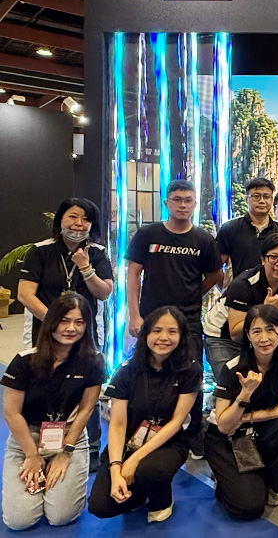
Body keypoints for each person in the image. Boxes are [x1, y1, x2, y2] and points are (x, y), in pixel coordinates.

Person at [126, 179, 222, 459]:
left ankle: (192, 435)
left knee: (191, 375)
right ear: (167, 203)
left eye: (188, 200)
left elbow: (215, 276)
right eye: (177, 200)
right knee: (145, 373)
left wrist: (192, 294)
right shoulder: (148, 234)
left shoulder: (203, 240)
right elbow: (133, 274)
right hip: (151, 319)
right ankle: (143, 428)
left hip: (188, 321)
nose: (182, 205)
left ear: (195, 204)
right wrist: (134, 315)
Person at [17, 198, 112, 472]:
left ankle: (90, 447)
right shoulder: (40, 252)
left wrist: (85, 267)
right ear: (61, 219)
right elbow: (25, 294)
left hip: (86, 336)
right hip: (43, 334)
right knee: (43, 385)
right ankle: (40, 445)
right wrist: (56, 323)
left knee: (87, 388)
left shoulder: (97, 253)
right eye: (72, 217)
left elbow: (104, 292)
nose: (78, 224)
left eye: (85, 219)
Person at [1, 293, 104, 530]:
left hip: (69, 437)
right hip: (28, 438)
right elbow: (12, 413)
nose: (71, 328)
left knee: (60, 516)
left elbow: (86, 409)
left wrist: (66, 453)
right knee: (19, 520)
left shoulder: (93, 361)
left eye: (79, 322)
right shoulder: (24, 361)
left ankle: (60, 481)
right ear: (52, 322)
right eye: (64, 321)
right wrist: (32, 455)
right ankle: (40, 475)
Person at [88, 307, 200, 523]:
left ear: (182, 336)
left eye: (172, 331)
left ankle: (162, 500)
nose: (164, 337)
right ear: (146, 333)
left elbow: (176, 422)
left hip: (169, 443)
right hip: (129, 442)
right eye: (157, 330)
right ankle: (138, 494)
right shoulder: (126, 370)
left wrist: (135, 459)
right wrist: (116, 468)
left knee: (150, 470)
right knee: (100, 506)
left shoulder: (190, 370)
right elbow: (118, 425)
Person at [205, 305, 278, 520]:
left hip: (259, 430)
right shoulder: (233, 368)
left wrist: (246, 418)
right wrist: (245, 395)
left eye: (270, 329)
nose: (264, 338)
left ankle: (269, 482)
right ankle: (227, 479)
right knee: (248, 508)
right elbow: (224, 425)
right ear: (248, 336)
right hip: (228, 438)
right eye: (256, 331)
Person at [226, 234, 278, 344]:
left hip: (263, 337)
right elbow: (235, 334)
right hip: (224, 336)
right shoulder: (243, 284)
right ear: (263, 260)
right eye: (274, 257)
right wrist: (265, 310)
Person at [217, 178, 278, 280]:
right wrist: (228, 287)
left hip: (274, 289)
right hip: (239, 288)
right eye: (256, 196)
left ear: (271, 200)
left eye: (266, 197)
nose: (262, 201)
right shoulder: (229, 229)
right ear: (246, 199)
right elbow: (216, 267)